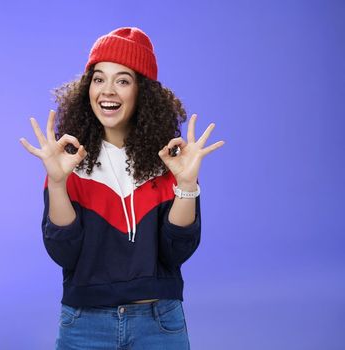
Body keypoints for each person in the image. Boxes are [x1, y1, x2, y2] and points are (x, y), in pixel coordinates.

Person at [18, 27, 225, 349]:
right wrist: (58, 183)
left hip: (159, 323)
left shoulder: (169, 162)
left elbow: (177, 253)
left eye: (123, 80)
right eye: (99, 79)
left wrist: (186, 184)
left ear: (142, 91)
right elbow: (64, 254)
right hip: (84, 324)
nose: (107, 90)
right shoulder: (69, 161)